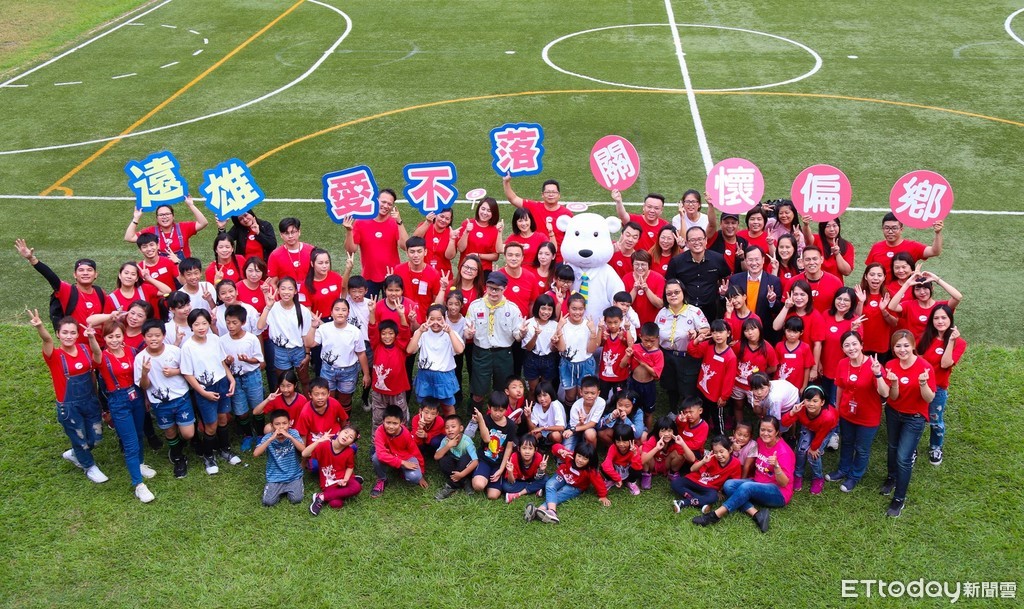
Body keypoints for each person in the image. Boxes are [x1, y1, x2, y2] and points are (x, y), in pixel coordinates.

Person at [29, 309, 108, 484]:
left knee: (95, 438)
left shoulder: (85, 349)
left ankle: (75, 453)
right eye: (64, 332)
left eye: (73, 332)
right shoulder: (54, 356)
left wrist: (92, 337)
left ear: (78, 334)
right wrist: (40, 326)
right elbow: (46, 339)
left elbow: (98, 356)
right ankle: (89, 466)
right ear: (58, 334)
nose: (69, 336)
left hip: (90, 401)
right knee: (79, 437)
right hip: (69, 406)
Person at [691, 416, 794, 533]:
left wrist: (776, 466)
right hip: (758, 482)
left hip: (778, 493)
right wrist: (733, 446)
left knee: (746, 487)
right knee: (729, 485)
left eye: (769, 431)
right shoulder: (760, 441)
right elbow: (741, 445)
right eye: (762, 430)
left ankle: (715, 515)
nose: (765, 433)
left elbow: (784, 483)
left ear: (777, 432)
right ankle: (756, 514)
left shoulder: (784, 452)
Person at [94, 319, 157, 502]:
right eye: (110, 336)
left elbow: (139, 376)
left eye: (117, 336)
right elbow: (96, 353)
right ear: (104, 338)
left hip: (136, 396)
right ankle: (138, 484)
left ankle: (140, 464)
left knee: (139, 434)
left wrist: (145, 397)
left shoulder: (131, 351)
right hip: (118, 401)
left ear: (123, 335)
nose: (114, 340)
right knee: (129, 443)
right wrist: (91, 338)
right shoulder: (102, 356)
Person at [877, 330, 936, 517]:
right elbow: (892, 397)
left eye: (905, 345)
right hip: (894, 413)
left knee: (904, 457)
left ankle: (899, 498)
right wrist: (893, 384)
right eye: (897, 346)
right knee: (892, 447)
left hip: (915, 417)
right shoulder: (891, 364)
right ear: (893, 348)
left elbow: (929, 398)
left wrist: (923, 384)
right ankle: (891, 478)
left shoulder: (925, 367)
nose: (902, 350)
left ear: (913, 346)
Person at [180, 309, 239, 475]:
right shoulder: (188, 347)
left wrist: (231, 379)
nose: (201, 327)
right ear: (191, 326)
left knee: (223, 418)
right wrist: (203, 392)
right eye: (196, 324)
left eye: (204, 323)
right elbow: (187, 374)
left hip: (221, 382)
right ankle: (208, 455)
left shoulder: (214, 339)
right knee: (210, 424)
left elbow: (221, 362)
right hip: (205, 388)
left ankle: (225, 449)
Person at [134, 319, 195, 479]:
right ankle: (177, 457)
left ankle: (180, 443)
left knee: (188, 433)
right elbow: (144, 385)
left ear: (164, 336)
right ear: (144, 337)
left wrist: (175, 371)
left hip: (180, 397)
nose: (153, 339)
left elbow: (188, 369)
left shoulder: (174, 351)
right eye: (149, 336)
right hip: (159, 402)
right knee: (169, 430)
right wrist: (145, 372)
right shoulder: (140, 359)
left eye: (157, 335)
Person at [16, 239, 107, 339]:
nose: (85, 273)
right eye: (81, 270)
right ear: (75, 275)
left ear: (95, 275)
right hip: (74, 346)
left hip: (99, 346)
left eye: (89, 270)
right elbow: (50, 276)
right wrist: (32, 259)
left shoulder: (100, 293)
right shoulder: (67, 291)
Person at [828, 331, 884, 493]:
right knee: (846, 442)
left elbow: (885, 393)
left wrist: (878, 373)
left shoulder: (874, 365)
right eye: (846, 345)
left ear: (861, 345)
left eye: (854, 344)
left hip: (868, 417)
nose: (851, 348)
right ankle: (843, 470)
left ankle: (854, 476)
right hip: (847, 413)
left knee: (861, 448)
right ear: (842, 348)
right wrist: (838, 409)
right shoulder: (842, 364)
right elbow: (839, 387)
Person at [464, 273, 523, 411]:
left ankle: (500, 419)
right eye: (490, 288)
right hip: (482, 353)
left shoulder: (512, 309)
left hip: (503, 354)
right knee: (478, 391)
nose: (493, 292)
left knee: (502, 390)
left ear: (505, 289)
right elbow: (466, 331)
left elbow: (517, 336)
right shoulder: (475, 306)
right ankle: (474, 419)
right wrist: (469, 333)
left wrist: (522, 333)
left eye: (497, 289)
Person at [918, 305, 966, 466]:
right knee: (916, 418)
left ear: (950, 320)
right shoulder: (925, 337)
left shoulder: (959, 343)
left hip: (938, 388)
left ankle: (935, 447)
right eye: (936, 318)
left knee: (935, 420)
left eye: (944, 318)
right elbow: (917, 360)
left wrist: (951, 340)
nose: (940, 321)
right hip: (920, 385)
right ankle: (911, 447)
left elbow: (945, 364)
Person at [308, 298, 369, 416]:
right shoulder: (324, 329)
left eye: (343, 310)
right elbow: (309, 344)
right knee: (328, 397)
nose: (340, 312)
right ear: (331, 313)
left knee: (345, 399)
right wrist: (313, 327)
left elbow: (361, 353)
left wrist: (366, 374)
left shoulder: (355, 332)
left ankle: (344, 421)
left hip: (348, 371)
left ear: (348, 313)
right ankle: (330, 420)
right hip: (328, 370)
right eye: (337, 309)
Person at [655, 279, 709, 410]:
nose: (673, 295)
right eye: (669, 293)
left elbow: (707, 329)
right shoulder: (662, 312)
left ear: (683, 293)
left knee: (687, 388)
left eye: (676, 292)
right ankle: (673, 410)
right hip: (667, 355)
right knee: (670, 385)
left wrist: (696, 332)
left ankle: (688, 413)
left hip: (686, 356)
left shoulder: (694, 311)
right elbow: (656, 334)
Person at [343, 188, 408, 296]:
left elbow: (405, 246)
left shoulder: (394, 223)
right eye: (383, 202)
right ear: (376, 200)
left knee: (392, 310)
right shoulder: (360, 222)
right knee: (368, 310)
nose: (386, 206)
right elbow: (351, 250)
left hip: (391, 276)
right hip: (368, 276)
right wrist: (349, 231)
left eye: (389, 204)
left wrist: (399, 222)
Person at [256, 277, 315, 395]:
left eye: (290, 289)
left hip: (298, 350)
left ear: (295, 291)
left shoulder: (302, 311)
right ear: (278, 290)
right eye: (283, 289)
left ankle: (308, 404)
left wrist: (307, 354)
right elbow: (260, 326)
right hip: (280, 351)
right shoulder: (273, 308)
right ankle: (291, 404)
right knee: (285, 381)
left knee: (304, 380)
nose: (286, 292)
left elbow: (305, 336)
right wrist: (268, 306)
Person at [526, 442, 609, 524]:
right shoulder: (569, 456)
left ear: (590, 460)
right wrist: (561, 451)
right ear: (575, 454)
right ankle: (551, 512)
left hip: (576, 486)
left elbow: (599, 483)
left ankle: (540, 510)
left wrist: (603, 496)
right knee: (550, 485)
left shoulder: (590, 470)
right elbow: (555, 447)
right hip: (562, 475)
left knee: (560, 494)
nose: (580, 460)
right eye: (579, 456)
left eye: (585, 458)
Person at [219, 304, 264, 452]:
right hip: (235, 379)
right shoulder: (223, 341)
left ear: (243, 322)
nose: (230, 326)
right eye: (228, 322)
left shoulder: (251, 339)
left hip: (252, 376)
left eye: (234, 322)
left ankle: (260, 434)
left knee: (257, 407)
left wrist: (247, 360)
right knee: (240, 409)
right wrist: (228, 362)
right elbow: (223, 362)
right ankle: (247, 435)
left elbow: (258, 360)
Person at [665, 227, 731, 322]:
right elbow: (669, 284)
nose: (697, 243)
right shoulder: (677, 262)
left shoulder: (718, 259)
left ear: (706, 240)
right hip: (685, 310)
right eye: (692, 240)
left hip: (711, 310)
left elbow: (726, 277)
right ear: (687, 243)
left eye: (700, 239)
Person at [781, 386, 838, 495]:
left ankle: (818, 478)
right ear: (803, 400)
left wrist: (813, 448)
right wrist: (793, 412)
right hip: (809, 426)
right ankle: (798, 475)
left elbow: (821, 434)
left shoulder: (828, 416)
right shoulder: (801, 409)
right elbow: (784, 423)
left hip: (826, 429)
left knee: (813, 455)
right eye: (808, 400)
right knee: (801, 450)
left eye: (815, 401)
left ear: (822, 402)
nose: (811, 404)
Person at [409, 304, 464, 414]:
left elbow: (459, 350)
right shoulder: (422, 333)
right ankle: (424, 429)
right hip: (425, 374)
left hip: (444, 375)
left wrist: (450, 332)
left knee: (448, 405)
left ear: (445, 319)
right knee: (425, 406)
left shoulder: (451, 333)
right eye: (431, 319)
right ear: (426, 319)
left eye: (439, 319)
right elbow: (410, 350)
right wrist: (419, 331)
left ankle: (452, 428)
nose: (435, 322)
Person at [367, 301, 412, 433]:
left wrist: (401, 315)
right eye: (384, 333)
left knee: (401, 417)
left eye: (391, 333)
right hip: (379, 391)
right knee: (378, 418)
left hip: (397, 390)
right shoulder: (376, 346)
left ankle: (402, 439)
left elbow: (405, 332)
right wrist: (372, 312)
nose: (387, 336)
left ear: (396, 335)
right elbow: (372, 329)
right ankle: (376, 444)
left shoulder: (401, 347)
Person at [688, 320, 739, 434]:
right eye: (714, 332)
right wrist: (696, 340)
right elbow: (692, 351)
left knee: (717, 417)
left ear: (728, 333)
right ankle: (701, 431)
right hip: (702, 389)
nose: (717, 335)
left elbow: (729, 379)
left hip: (716, 395)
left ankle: (720, 437)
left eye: (721, 332)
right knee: (702, 412)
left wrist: (724, 397)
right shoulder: (708, 346)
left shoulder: (730, 357)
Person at [503, 175, 572, 255]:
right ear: (542, 194)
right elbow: (513, 199)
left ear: (559, 195)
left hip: (559, 258)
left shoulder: (567, 214)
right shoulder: (534, 207)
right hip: (538, 258)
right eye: (547, 192)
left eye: (554, 192)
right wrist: (506, 182)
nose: (551, 194)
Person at [864, 212, 944, 282]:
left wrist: (938, 233)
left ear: (901, 229)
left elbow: (935, 251)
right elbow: (869, 272)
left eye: (894, 228)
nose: (890, 231)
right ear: (883, 229)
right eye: (887, 228)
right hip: (882, 294)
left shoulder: (912, 246)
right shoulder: (876, 247)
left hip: (905, 293)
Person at [727, 246, 783, 343]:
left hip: (764, 332)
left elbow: (778, 310)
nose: (754, 263)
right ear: (745, 260)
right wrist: (723, 294)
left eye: (757, 259)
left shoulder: (774, 281)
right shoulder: (735, 279)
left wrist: (772, 301)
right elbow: (727, 304)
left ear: (763, 260)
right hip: (739, 330)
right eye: (750, 260)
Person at [671, 435, 741, 513]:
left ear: (730, 449)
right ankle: (702, 502)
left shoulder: (735, 463)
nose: (719, 455)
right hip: (695, 480)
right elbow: (692, 469)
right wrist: (703, 461)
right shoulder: (710, 458)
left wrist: (720, 491)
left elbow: (733, 481)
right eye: (715, 452)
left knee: (713, 497)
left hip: (710, 487)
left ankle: (684, 503)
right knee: (675, 483)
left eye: (721, 451)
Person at [887, 270, 962, 341]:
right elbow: (891, 306)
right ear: (913, 291)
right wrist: (907, 284)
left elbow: (958, 297)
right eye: (917, 289)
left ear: (932, 289)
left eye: (925, 288)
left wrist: (936, 279)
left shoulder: (941, 307)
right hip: (913, 349)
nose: (922, 292)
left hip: (932, 348)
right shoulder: (908, 305)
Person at [772, 280, 824, 381]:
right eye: (795, 294)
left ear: (809, 296)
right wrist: (786, 307)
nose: (799, 298)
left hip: (804, 363)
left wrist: (814, 368)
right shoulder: (788, 312)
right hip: (786, 360)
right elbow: (776, 327)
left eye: (802, 294)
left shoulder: (815, 316)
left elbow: (818, 345)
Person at [304, 426, 363, 514]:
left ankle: (321, 497)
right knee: (336, 503)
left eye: (351, 437)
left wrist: (345, 480)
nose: (347, 436)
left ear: (351, 444)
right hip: (329, 483)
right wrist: (319, 441)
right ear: (338, 433)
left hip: (343, 479)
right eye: (345, 432)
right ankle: (337, 492)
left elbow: (350, 467)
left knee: (356, 487)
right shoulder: (324, 445)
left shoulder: (349, 451)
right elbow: (304, 454)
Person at [731, 318, 777, 429]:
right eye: (746, 330)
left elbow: (773, 367)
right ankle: (739, 427)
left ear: (760, 329)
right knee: (738, 405)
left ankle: (763, 428)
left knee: (758, 409)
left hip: (755, 386)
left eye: (753, 329)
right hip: (738, 383)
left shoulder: (767, 348)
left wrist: (760, 375)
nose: (750, 333)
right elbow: (732, 360)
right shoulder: (739, 345)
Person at [124, 197, 209, 258]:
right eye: (161, 215)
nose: (164, 217)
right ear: (157, 218)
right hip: (163, 272)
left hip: (183, 271)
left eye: (167, 214)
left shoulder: (183, 227)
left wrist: (191, 205)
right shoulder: (151, 231)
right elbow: (129, 237)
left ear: (173, 216)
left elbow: (203, 223)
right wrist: (136, 218)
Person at [470, 393, 518, 499]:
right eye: (495, 410)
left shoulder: (511, 425)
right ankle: (480, 475)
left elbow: (509, 448)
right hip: (485, 459)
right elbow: (486, 439)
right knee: (478, 485)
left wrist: (501, 469)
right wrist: (481, 420)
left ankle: (485, 477)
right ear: (489, 407)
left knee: (493, 496)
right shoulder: (486, 420)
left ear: (506, 410)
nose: (498, 414)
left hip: (498, 463)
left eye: (501, 410)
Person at [253, 409, 306, 507]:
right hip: (275, 477)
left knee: (296, 499)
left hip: (293, 475)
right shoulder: (268, 437)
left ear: (289, 424)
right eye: (277, 424)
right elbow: (256, 454)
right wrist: (270, 439)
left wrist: (289, 437)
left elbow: (303, 450)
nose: (281, 427)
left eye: (284, 423)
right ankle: (275, 488)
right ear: (272, 426)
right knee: (268, 502)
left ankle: (297, 482)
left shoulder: (293, 433)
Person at [553, 294, 599, 405]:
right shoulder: (563, 324)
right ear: (568, 308)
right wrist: (559, 329)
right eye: (574, 309)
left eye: (580, 309)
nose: (577, 312)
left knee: (583, 394)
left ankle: (583, 419)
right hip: (567, 364)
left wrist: (593, 332)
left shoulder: (589, 325)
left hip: (586, 364)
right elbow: (562, 348)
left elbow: (591, 349)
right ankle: (570, 418)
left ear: (584, 309)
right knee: (570, 395)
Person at [854, 263, 897, 361]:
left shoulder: (889, 295)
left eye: (879, 275)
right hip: (860, 344)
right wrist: (860, 302)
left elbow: (894, 323)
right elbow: (855, 319)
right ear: (866, 276)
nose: (875, 278)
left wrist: (884, 311)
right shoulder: (858, 293)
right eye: (872, 274)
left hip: (881, 346)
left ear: (884, 278)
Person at [627, 322, 664, 432]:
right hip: (634, 383)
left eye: (652, 341)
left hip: (648, 386)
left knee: (648, 412)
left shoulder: (658, 354)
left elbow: (656, 373)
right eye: (646, 340)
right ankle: (630, 430)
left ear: (657, 338)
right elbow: (625, 364)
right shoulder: (635, 348)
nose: (648, 344)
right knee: (631, 408)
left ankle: (647, 432)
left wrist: (644, 365)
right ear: (640, 336)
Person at [520, 294, 559, 397]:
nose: (546, 312)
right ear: (537, 308)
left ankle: (544, 410)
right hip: (532, 358)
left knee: (546, 389)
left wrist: (554, 343)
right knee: (533, 389)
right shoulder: (529, 323)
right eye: (543, 308)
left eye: (549, 309)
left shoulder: (554, 325)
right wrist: (536, 335)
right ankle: (530, 409)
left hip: (549, 359)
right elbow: (528, 348)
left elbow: (553, 349)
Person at [394, 236, 444, 317]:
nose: (416, 255)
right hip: (403, 315)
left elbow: (436, 302)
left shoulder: (434, 274)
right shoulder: (398, 270)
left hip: (425, 318)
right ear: (407, 253)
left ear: (425, 252)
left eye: (419, 251)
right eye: (412, 252)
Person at [433, 414, 479, 500]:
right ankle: (464, 482)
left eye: (453, 427)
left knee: (465, 458)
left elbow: (475, 461)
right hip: (454, 465)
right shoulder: (445, 440)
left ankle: (451, 486)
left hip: (465, 466)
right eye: (447, 428)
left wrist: (461, 474)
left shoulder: (467, 441)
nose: (450, 430)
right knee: (443, 460)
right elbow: (436, 457)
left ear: (461, 428)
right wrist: (448, 446)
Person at [456, 197, 504, 273]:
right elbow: (460, 249)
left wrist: (478, 255)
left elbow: (495, 256)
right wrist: (466, 232)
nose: (485, 213)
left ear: (493, 213)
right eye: (483, 209)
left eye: (489, 211)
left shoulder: (495, 230)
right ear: (478, 209)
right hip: (465, 268)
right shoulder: (467, 224)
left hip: (484, 271)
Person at [793, 246, 844, 315]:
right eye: (808, 259)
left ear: (821, 259)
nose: (811, 262)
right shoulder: (793, 281)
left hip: (826, 323)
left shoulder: (835, 282)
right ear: (802, 262)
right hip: (800, 323)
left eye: (815, 259)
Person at [105, 261, 171, 315]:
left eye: (133, 274)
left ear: (137, 278)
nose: (129, 276)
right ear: (120, 275)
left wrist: (148, 278)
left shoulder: (144, 289)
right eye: (126, 273)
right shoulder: (111, 298)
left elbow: (167, 291)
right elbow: (107, 323)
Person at [266, 217, 315, 288]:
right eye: (286, 233)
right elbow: (273, 282)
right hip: (287, 296)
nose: (290, 236)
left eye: (293, 232)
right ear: (281, 235)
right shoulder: (275, 255)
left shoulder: (311, 250)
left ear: (299, 232)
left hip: (309, 293)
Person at [596, 306, 633, 399]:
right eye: (609, 322)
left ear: (621, 320)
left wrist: (628, 329)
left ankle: (618, 413)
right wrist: (600, 330)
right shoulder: (605, 333)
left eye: (615, 322)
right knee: (602, 397)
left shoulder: (623, 333)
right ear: (605, 322)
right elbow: (597, 344)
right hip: (604, 376)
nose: (612, 325)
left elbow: (631, 345)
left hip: (620, 374)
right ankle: (603, 413)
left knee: (619, 397)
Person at [640, 416, 685, 489]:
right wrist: (656, 448)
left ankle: (673, 473)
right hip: (653, 464)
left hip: (666, 463)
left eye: (670, 431)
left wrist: (683, 444)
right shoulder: (653, 439)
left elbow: (690, 458)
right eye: (663, 431)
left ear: (674, 431)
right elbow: (642, 460)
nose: (666, 434)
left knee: (681, 454)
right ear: (657, 431)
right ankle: (646, 474)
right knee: (642, 450)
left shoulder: (676, 441)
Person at [502, 434, 549, 503]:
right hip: (518, 481)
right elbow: (511, 481)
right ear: (519, 449)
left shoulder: (538, 457)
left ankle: (518, 494)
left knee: (546, 479)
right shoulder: (514, 457)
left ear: (535, 450)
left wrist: (541, 470)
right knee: (506, 486)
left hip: (532, 479)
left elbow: (538, 478)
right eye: (524, 448)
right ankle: (535, 488)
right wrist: (510, 472)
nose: (527, 452)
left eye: (530, 448)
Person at [623, 250, 665, 325]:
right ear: (632, 265)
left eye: (643, 264)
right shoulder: (626, 278)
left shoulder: (658, 278)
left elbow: (660, 304)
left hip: (652, 324)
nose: (640, 268)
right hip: (631, 324)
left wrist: (646, 289)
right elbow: (624, 305)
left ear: (649, 265)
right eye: (636, 264)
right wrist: (635, 289)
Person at [411, 208, 457, 275]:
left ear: (450, 221)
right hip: (423, 272)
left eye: (447, 219)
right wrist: (427, 222)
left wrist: (452, 239)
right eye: (441, 216)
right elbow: (414, 240)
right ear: (435, 215)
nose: (443, 220)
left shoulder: (451, 233)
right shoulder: (426, 225)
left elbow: (450, 257)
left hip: (443, 275)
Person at [563, 376, 604, 451]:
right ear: (581, 392)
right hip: (575, 427)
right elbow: (574, 426)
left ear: (598, 393)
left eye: (593, 393)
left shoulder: (601, 402)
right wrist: (580, 424)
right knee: (566, 452)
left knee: (590, 433)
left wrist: (573, 429)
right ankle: (579, 444)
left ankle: (591, 455)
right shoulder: (576, 406)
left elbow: (592, 424)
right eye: (586, 393)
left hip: (585, 428)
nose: (589, 396)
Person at [601, 423, 643, 495]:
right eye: (618, 441)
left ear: (631, 440)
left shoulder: (634, 449)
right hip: (616, 470)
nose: (621, 444)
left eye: (624, 441)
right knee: (603, 466)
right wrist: (617, 478)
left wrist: (635, 454)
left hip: (628, 470)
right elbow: (606, 465)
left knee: (638, 470)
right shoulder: (613, 448)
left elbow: (638, 467)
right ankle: (611, 480)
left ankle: (630, 482)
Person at [773, 317, 815, 390]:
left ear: (801, 332)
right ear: (784, 330)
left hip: (796, 386)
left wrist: (804, 386)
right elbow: (775, 366)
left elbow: (807, 368)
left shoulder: (805, 347)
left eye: (795, 332)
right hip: (780, 384)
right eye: (789, 331)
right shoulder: (779, 346)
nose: (791, 335)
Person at [524, 380, 566, 448]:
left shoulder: (555, 405)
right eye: (539, 396)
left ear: (551, 394)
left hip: (554, 431)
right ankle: (541, 444)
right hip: (542, 431)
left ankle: (552, 445)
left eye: (545, 395)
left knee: (556, 436)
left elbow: (561, 427)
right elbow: (533, 428)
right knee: (530, 435)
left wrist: (543, 428)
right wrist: (528, 417)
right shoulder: (537, 406)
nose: (542, 399)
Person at [706, 210, 749, 274]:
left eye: (733, 223)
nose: (730, 226)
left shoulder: (743, 243)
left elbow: (748, 272)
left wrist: (742, 259)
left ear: (738, 225)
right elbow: (712, 224)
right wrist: (710, 206)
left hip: (735, 282)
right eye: (727, 223)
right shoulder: (714, 237)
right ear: (720, 224)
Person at [737, 206, 772, 271]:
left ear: (764, 221)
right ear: (747, 221)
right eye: (752, 219)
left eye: (759, 219)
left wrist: (771, 244)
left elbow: (775, 257)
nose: (755, 222)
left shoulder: (769, 239)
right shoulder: (739, 235)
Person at [410, 398, 446, 463]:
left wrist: (426, 435)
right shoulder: (416, 419)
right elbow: (416, 440)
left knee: (435, 442)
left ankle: (436, 453)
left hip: (434, 440)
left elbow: (438, 435)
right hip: (421, 441)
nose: (429, 416)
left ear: (437, 414)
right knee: (413, 443)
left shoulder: (439, 421)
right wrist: (420, 428)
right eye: (426, 413)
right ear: (420, 411)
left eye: (433, 414)